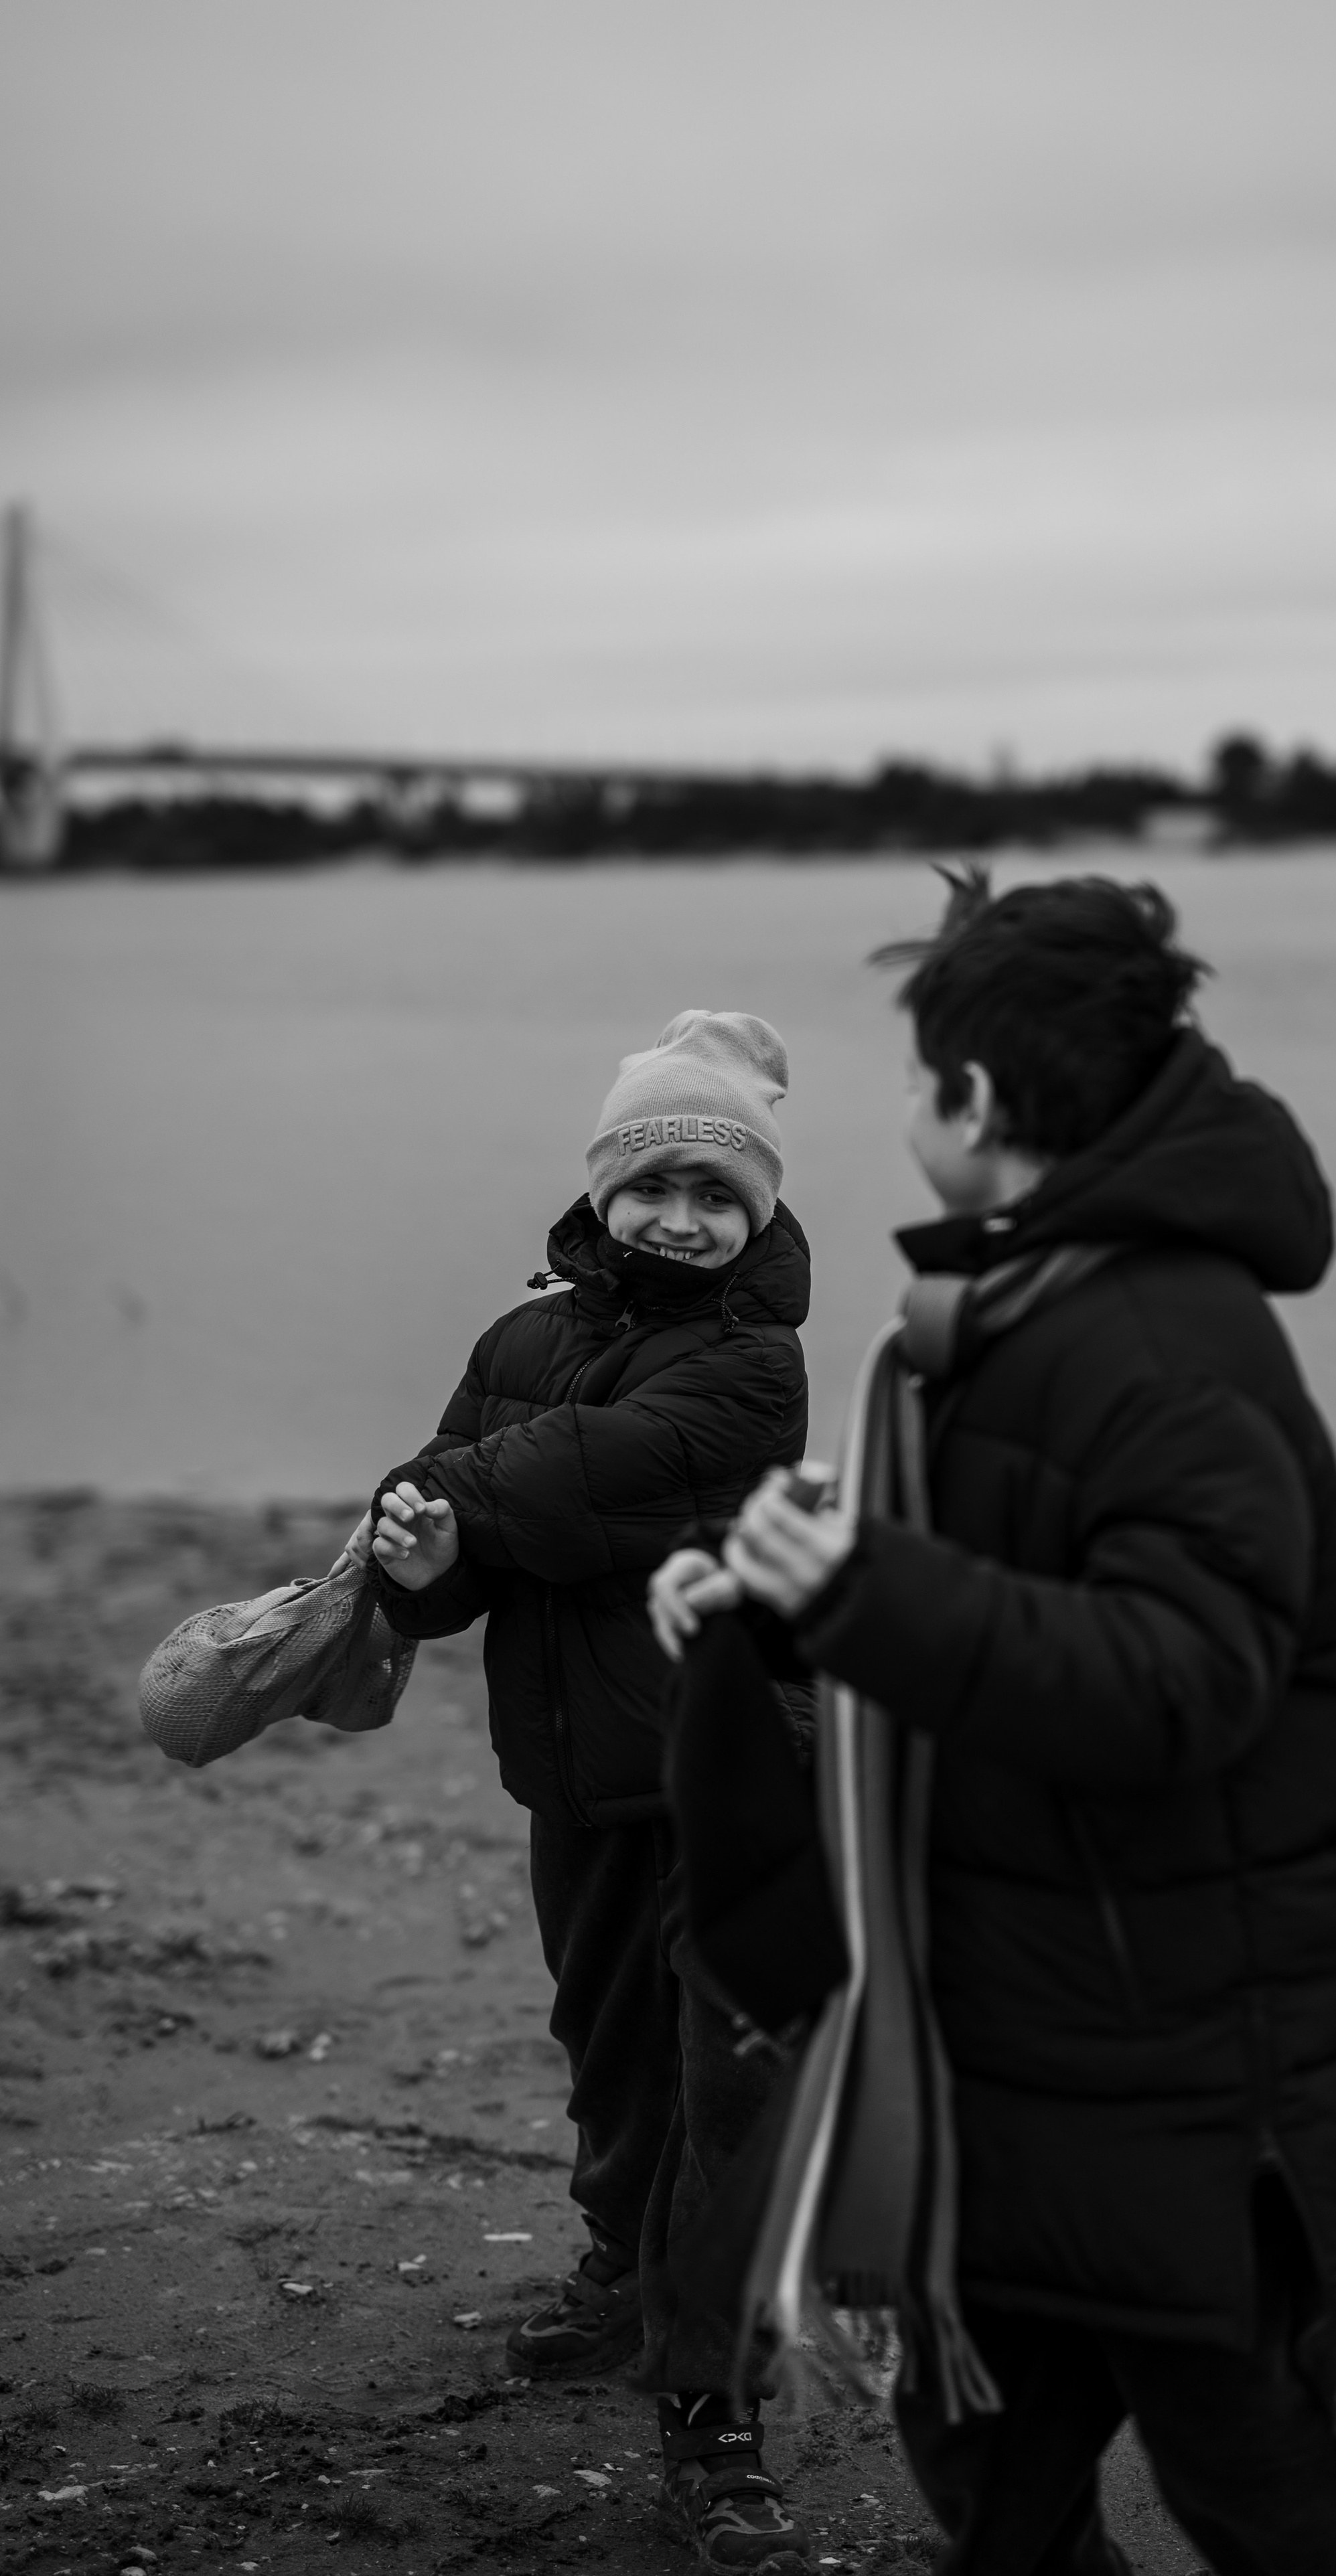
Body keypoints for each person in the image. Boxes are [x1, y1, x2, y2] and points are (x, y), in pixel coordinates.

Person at [654, 872, 1336, 2576]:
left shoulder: (1163, 1337)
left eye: (913, 1075)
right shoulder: (1044, 1302)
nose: (903, 1108)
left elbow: (1179, 1674)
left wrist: (866, 1585)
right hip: (1050, 2033)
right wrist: (779, 1589)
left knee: (1252, 2474)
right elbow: (997, 1592)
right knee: (982, 2446)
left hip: (1194, 2065)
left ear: (973, 1101)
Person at [368, 1009, 814, 2572]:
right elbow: (463, 1537)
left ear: (756, 1210)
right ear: (603, 1188)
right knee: (610, 2045)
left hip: (732, 1772)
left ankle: (718, 2412)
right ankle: (623, 2268)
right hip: (577, 1781)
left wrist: (447, 1497)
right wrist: (425, 1566)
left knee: (728, 2084)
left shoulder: (757, 1367)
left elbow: (583, 1478)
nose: (682, 1217)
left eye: (717, 1191)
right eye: (654, 1184)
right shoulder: (516, 1342)